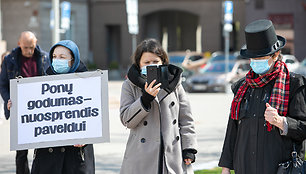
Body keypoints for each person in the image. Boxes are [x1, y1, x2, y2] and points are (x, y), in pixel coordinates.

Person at [218, 19, 306, 174]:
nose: (256, 62)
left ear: (276, 54)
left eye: (261, 58)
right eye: (253, 58)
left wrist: (281, 121)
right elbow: (233, 130)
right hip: (244, 166)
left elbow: (303, 127)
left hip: (279, 168)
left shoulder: (294, 84)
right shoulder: (242, 87)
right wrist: (226, 167)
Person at [119, 38, 197, 174]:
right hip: (141, 158)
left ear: (163, 62)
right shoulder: (129, 85)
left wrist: (189, 148)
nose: (151, 65)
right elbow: (126, 120)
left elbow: (186, 119)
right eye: (147, 62)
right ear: (139, 64)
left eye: (155, 62)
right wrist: (145, 99)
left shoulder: (175, 83)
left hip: (173, 155)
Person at [30, 40, 95, 174]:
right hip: (48, 159)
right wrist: (15, 106)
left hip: (75, 159)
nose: (57, 60)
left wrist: (86, 139)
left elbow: (94, 118)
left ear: (73, 60)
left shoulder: (87, 84)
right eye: (54, 57)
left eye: (62, 57)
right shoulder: (42, 85)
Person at [0, 31, 49, 174]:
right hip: (20, 110)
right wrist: (8, 99)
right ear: (19, 44)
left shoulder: (45, 57)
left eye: (32, 47)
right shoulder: (10, 60)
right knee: (21, 152)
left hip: (41, 109)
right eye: (26, 47)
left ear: (36, 43)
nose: (29, 51)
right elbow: (3, 84)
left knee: (43, 149)